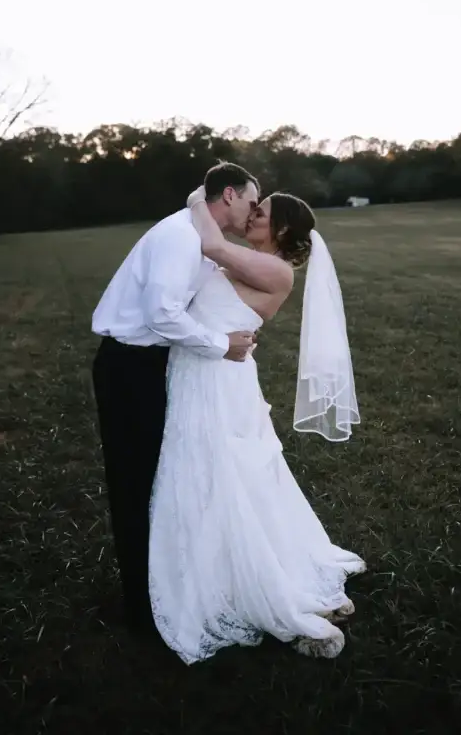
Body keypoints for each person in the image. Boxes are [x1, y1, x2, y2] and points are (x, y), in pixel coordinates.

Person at [149, 187, 365, 663]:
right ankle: (218, 560)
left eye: (261, 212)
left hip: (217, 380)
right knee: (212, 471)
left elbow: (209, 245)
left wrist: (196, 199)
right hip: (204, 368)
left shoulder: (277, 269)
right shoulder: (252, 260)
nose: (251, 215)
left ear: (283, 229)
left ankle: (261, 581)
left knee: (226, 472)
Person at [91, 162, 260, 632]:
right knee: (136, 484)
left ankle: (167, 585)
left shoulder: (199, 234)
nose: (252, 211)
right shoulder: (179, 238)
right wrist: (221, 344)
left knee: (165, 479)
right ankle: (144, 610)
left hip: (152, 365)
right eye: (250, 199)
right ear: (229, 194)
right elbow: (162, 313)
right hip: (129, 367)